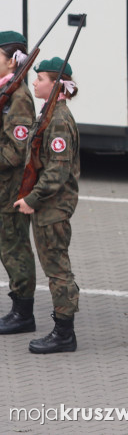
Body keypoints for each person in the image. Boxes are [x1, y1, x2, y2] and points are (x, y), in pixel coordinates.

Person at [12, 58, 80, 353]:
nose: (35, 83)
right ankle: (62, 329)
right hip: (48, 205)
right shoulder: (49, 114)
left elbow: (57, 171)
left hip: (53, 206)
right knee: (55, 266)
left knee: (57, 269)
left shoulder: (59, 120)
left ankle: (64, 333)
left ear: (55, 85)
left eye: (40, 79)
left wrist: (32, 199)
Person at [0, 32, 37, 335]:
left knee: (14, 246)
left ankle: (23, 312)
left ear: (13, 60)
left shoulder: (19, 98)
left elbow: (16, 151)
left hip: (10, 188)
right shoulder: (4, 91)